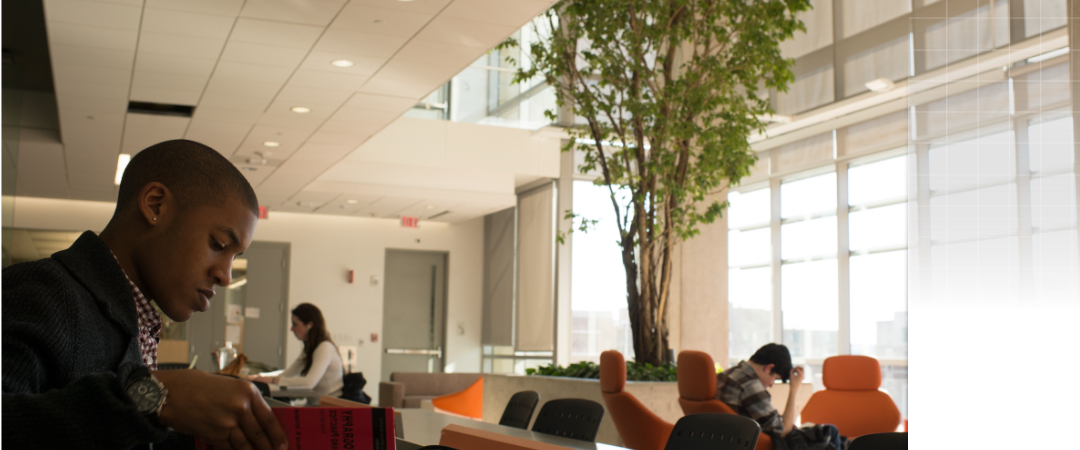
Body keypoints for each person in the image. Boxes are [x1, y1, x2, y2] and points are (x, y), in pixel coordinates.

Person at [2, 140, 288, 450]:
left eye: (235, 256)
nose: (226, 275)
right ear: (155, 205)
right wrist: (154, 396)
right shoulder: (43, 291)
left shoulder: (131, 318)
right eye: (218, 244)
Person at [716, 343, 848, 450]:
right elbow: (782, 430)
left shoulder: (726, 375)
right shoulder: (750, 385)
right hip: (756, 442)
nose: (771, 384)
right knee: (831, 432)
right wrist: (793, 389)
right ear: (768, 368)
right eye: (774, 378)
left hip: (733, 438)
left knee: (839, 440)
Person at [249, 304, 344, 406]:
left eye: (295, 324)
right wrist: (261, 379)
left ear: (309, 325)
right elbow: (289, 373)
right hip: (315, 404)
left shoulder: (324, 347)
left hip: (330, 407)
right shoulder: (310, 348)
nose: (292, 329)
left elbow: (309, 383)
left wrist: (273, 380)